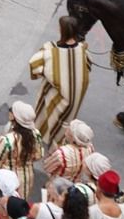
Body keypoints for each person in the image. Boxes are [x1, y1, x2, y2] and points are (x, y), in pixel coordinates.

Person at [27, 16, 90, 146]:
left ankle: (41, 135)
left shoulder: (50, 51)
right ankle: (61, 139)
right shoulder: (83, 49)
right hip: (75, 99)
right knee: (65, 120)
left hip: (57, 95)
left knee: (46, 113)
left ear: (62, 30)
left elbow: (34, 65)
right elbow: (88, 66)